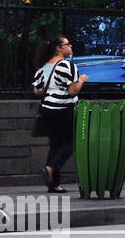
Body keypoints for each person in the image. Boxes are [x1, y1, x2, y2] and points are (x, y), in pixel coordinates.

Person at [31, 37, 88, 193]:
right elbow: (73, 90)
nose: (71, 46)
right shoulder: (66, 65)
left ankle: (54, 185)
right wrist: (82, 80)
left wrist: (52, 91)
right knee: (71, 143)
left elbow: (37, 90)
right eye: (67, 44)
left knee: (56, 145)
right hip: (63, 109)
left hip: (47, 110)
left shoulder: (45, 66)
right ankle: (50, 168)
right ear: (58, 48)